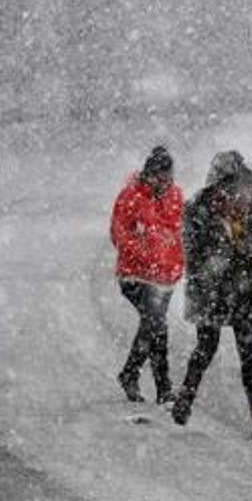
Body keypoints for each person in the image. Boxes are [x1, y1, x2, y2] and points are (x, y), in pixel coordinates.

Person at [171, 151, 252, 440]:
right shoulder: (200, 207)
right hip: (216, 290)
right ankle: (185, 400)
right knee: (211, 348)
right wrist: (220, 263)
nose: (235, 193)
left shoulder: (251, 202)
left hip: (240, 289)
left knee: (244, 356)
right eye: (227, 186)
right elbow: (192, 254)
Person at [109, 145, 185, 404]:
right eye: (160, 178)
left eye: (169, 178)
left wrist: (176, 260)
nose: (165, 183)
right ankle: (156, 385)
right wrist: (146, 255)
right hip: (135, 276)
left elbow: (180, 233)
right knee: (156, 323)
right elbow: (118, 235)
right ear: (148, 174)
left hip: (165, 277)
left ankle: (146, 382)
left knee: (155, 326)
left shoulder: (176, 197)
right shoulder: (130, 197)